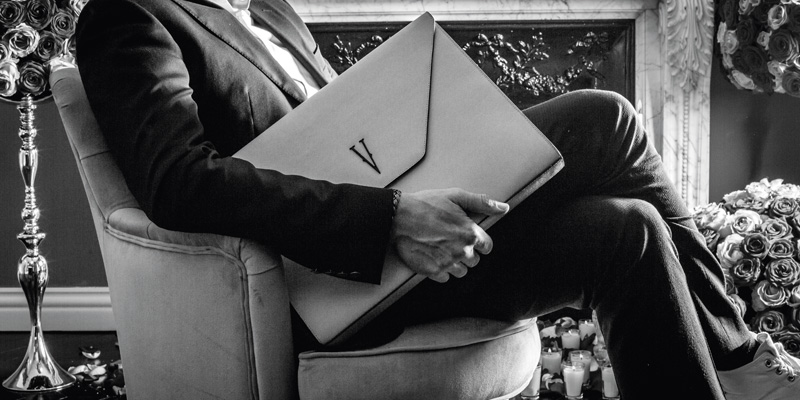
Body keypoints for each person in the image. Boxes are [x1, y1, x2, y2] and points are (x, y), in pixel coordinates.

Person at [74, 0, 798, 398]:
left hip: (405, 244)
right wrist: (389, 219)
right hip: (318, 283)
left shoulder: (270, 9)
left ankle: (729, 372)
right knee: (605, 118)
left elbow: (349, 130)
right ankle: (738, 361)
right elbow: (180, 181)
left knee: (627, 228)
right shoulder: (130, 16)